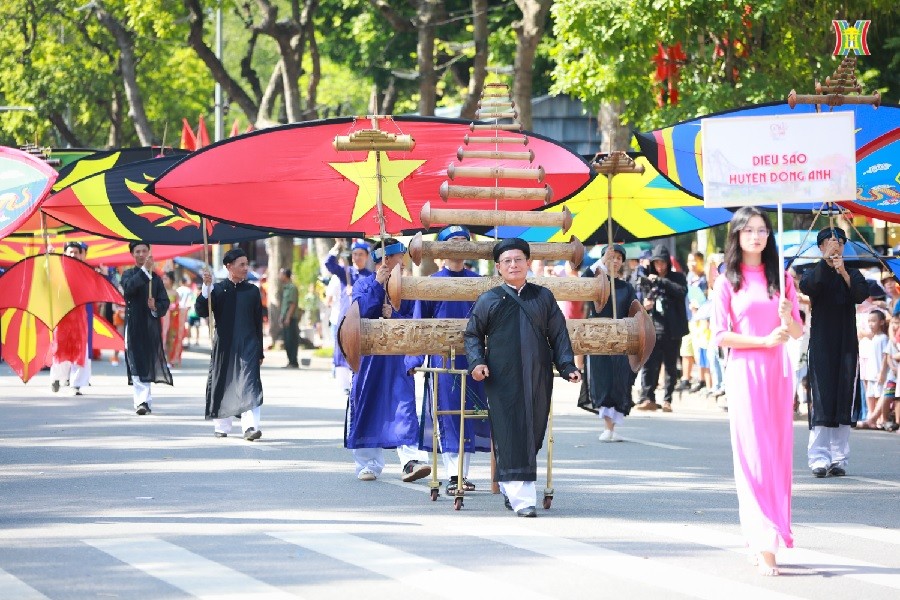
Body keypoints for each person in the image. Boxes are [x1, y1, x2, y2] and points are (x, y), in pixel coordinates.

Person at [710, 206, 803, 577]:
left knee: (778, 455)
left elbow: (796, 332)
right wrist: (763, 341)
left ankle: (768, 535)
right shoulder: (726, 282)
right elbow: (719, 335)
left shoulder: (782, 278)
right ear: (736, 235)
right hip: (745, 372)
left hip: (778, 374)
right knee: (753, 456)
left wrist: (787, 318)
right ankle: (764, 545)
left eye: (762, 230)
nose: (756, 236)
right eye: (748, 230)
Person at [465, 238, 581, 518]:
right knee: (510, 430)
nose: (513, 265)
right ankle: (522, 498)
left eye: (518, 260)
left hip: (538, 375)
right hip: (501, 377)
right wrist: (477, 363)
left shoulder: (543, 297)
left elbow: (558, 334)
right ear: (498, 267)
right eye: (507, 261)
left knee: (533, 431)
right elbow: (472, 335)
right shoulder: (489, 300)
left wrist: (567, 365)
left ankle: (509, 485)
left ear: (528, 263)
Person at [404, 226, 491, 494]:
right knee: (450, 415)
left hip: (475, 359)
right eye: (452, 242)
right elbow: (420, 324)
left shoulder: (480, 283)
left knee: (472, 414)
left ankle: (462, 474)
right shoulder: (431, 283)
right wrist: (414, 360)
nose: (458, 247)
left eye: (463, 242)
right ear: (441, 249)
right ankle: (454, 476)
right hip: (444, 361)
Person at [345, 238, 431, 482]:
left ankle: (410, 461)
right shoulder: (363, 284)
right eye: (397, 260)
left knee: (403, 408)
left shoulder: (408, 287)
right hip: (369, 359)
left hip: (397, 358)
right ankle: (368, 464)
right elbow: (359, 313)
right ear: (383, 260)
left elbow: (414, 320)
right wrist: (377, 285)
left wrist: (393, 314)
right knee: (367, 406)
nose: (403, 264)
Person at [800, 226, 869, 477]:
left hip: (847, 343)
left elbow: (860, 294)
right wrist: (826, 264)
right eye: (829, 241)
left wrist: (842, 271)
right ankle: (818, 457)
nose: (835, 245)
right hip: (821, 344)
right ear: (820, 247)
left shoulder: (853, 273)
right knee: (821, 398)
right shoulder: (812, 272)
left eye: (839, 241)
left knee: (843, 398)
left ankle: (839, 458)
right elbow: (810, 287)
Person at [196, 248, 265, 440]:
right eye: (241, 264)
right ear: (229, 266)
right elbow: (201, 310)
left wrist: (259, 351)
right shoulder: (217, 290)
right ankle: (222, 425)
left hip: (248, 345)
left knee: (250, 384)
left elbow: (258, 322)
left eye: (246, 264)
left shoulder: (253, 291)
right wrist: (205, 288)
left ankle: (250, 427)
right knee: (224, 382)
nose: (245, 268)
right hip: (225, 345)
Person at [583, 244, 637, 442]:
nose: (615, 261)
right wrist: (600, 263)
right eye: (611, 257)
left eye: (618, 258)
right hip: (599, 339)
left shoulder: (627, 288)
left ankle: (612, 426)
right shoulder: (597, 282)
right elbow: (584, 279)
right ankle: (607, 425)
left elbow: (634, 311)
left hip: (621, 340)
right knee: (603, 382)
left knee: (620, 382)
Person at [121, 241, 172, 415]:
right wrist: (144, 272)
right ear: (132, 254)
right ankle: (141, 401)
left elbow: (165, 302)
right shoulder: (128, 274)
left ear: (149, 253)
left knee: (147, 362)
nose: (141, 254)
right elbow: (128, 289)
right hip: (134, 325)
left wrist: (155, 306)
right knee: (135, 362)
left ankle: (145, 400)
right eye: (137, 251)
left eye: (144, 251)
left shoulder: (156, 279)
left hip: (150, 326)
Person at [636, 244, 689, 412]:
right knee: (650, 365)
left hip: (672, 330)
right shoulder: (647, 279)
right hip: (652, 328)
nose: (660, 267)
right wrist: (645, 304)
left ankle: (667, 399)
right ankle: (648, 397)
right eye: (656, 263)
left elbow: (681, 292)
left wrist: (661, 281)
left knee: (671, 367)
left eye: (662, 263)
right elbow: (640, 299)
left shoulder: (677, 278)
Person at [324, 239, 373, 394]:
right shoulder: (346, 273)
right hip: (345, 318)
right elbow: (329, 263)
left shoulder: (370, 276)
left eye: (361, 254)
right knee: (341, 350)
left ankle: (361, 381)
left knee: (361, 350)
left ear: (366, 257)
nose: (357, 257)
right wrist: (337, 247)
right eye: (355, 254)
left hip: (362, 319)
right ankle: (344, 384)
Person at [49, 242, 93, 396]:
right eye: (70, 252)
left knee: (80, 350)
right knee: (59, 348)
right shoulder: (58, 268)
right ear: (65, 253)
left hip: (79, 317)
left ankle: (76, 384)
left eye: (75, 252)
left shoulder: (86, 271)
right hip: (62, 316)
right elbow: (48, 280)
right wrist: (49, 260)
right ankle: (56, 378)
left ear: (80, 254)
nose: (73, 255)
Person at [279, 268, 300, 368]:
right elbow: (285, 305)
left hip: (291, 318)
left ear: (285, 275)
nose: (279, 276)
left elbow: (292, 304)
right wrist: (281, 317)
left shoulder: (292, 288)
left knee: (291, 340)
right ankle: (290, 361)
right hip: (285, 318)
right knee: (287, 341)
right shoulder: (286, 288)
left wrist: (288, 317)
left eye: (281, 274)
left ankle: (293, 362)